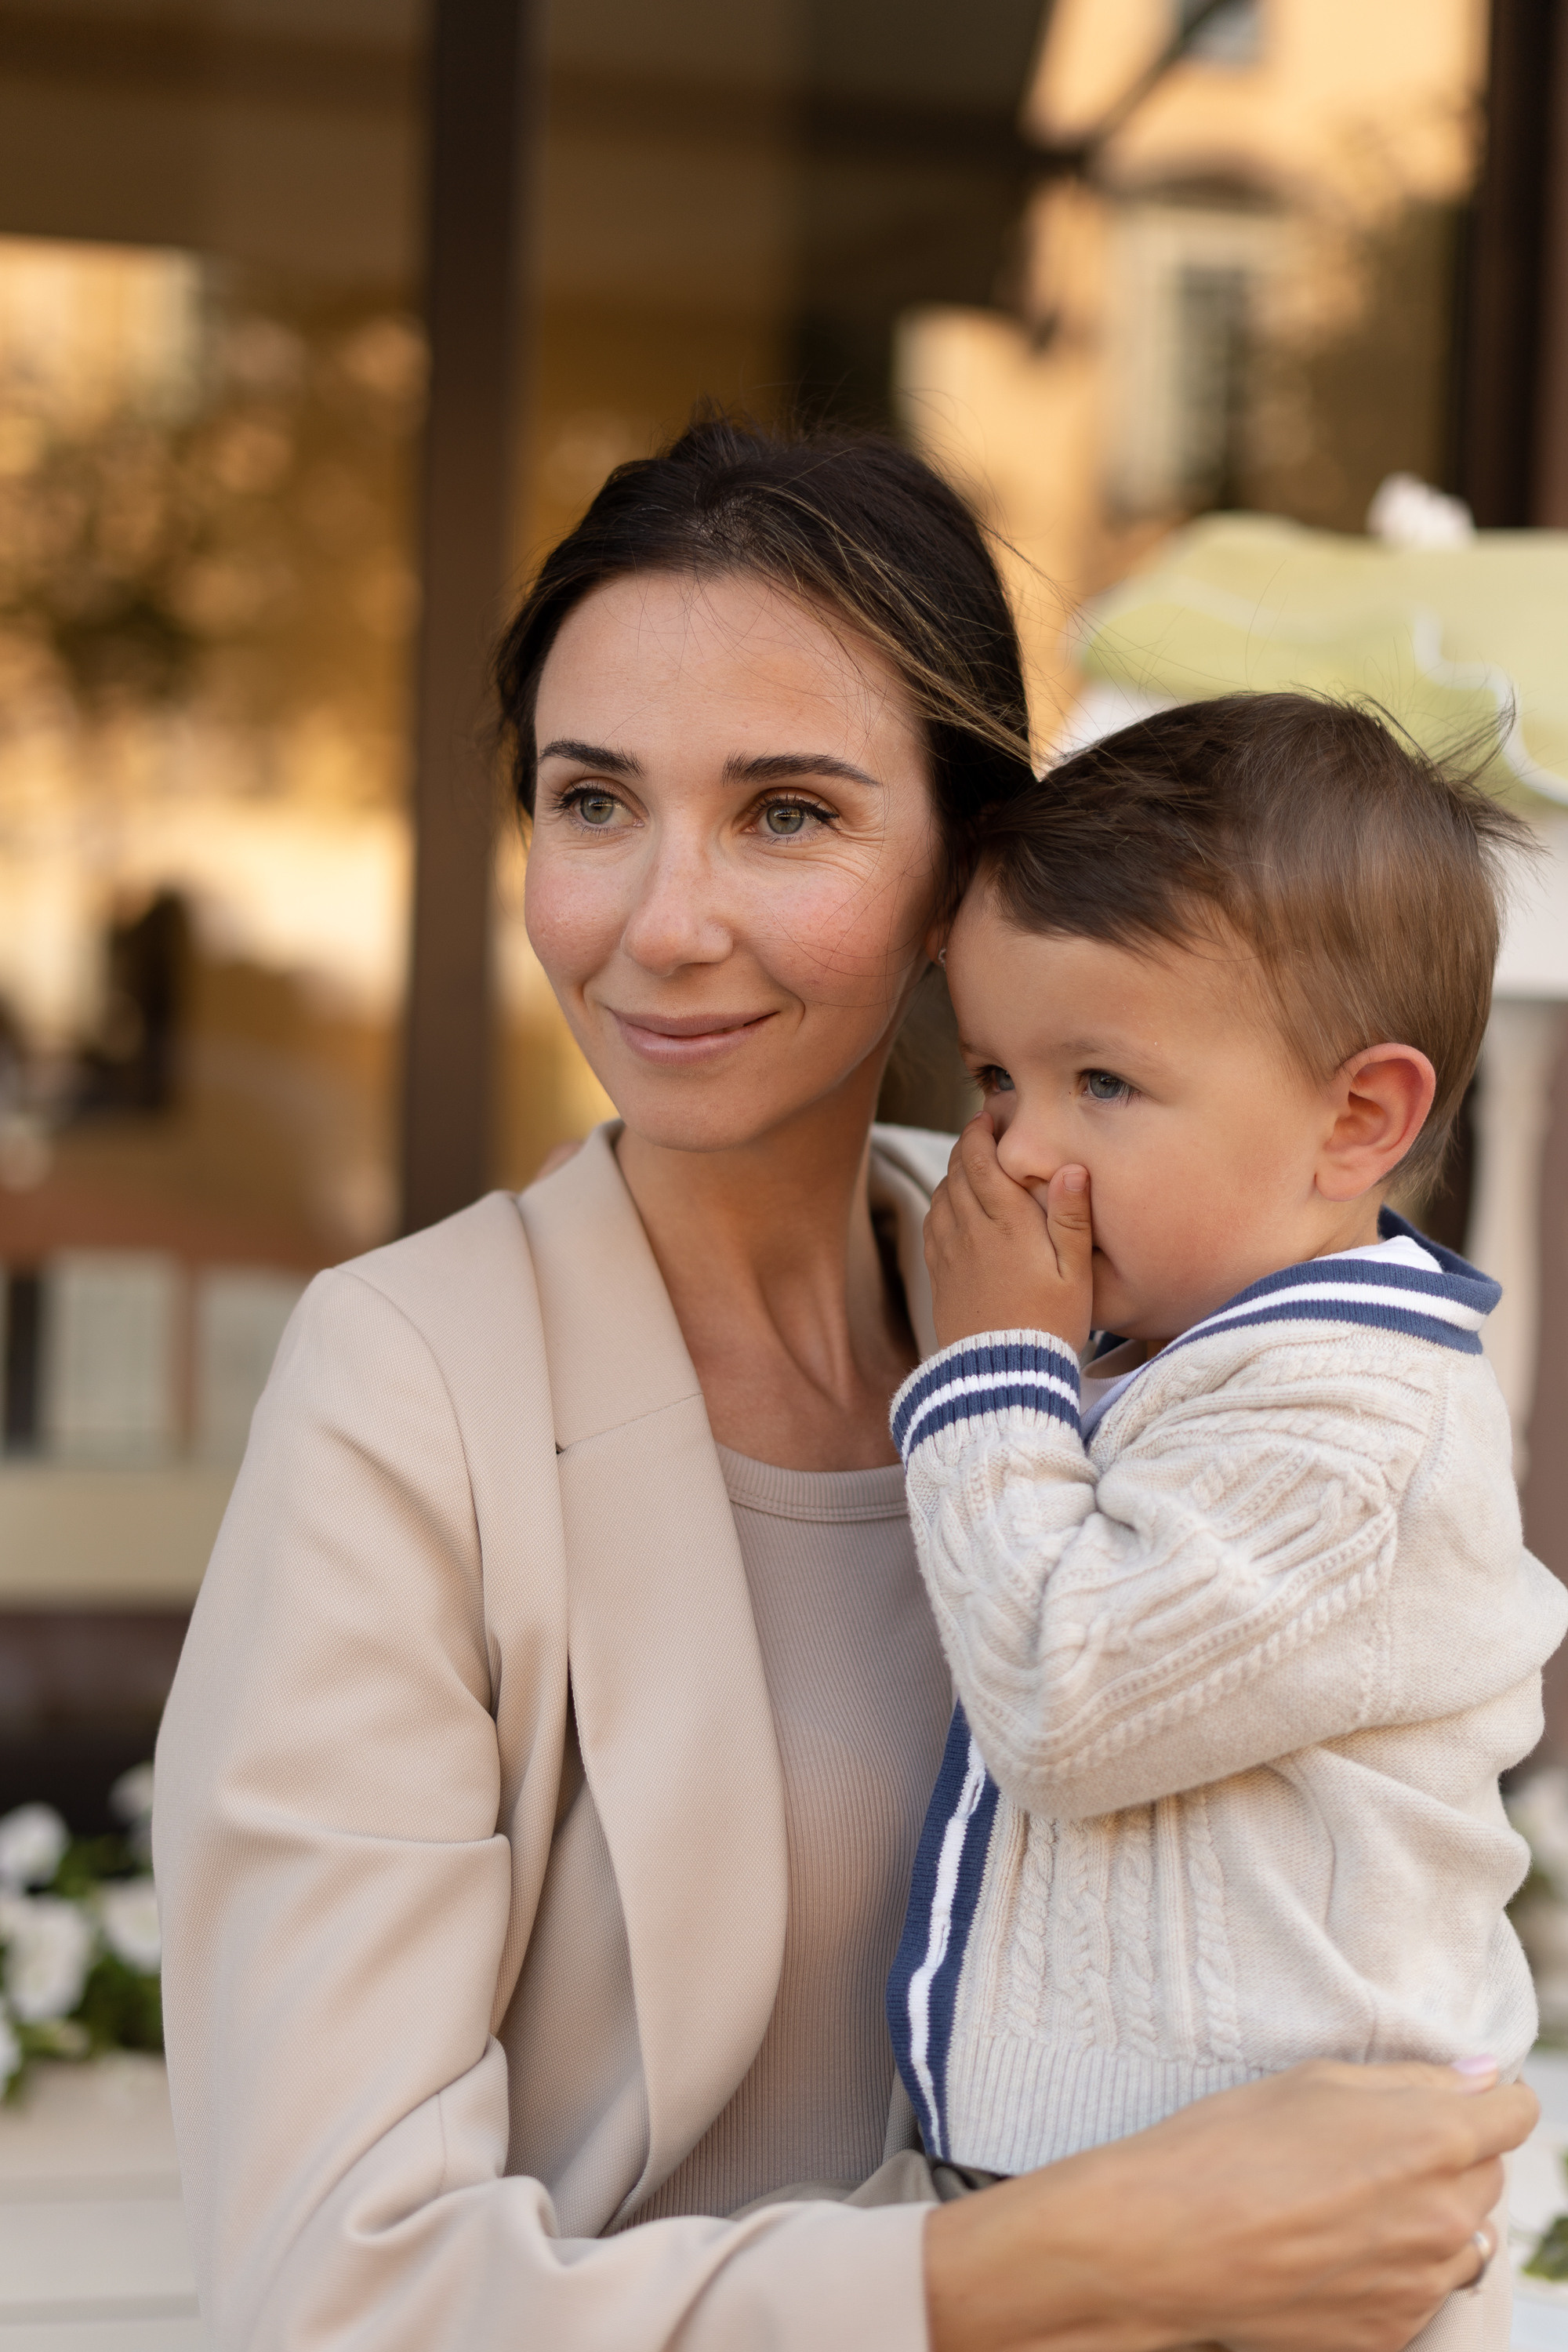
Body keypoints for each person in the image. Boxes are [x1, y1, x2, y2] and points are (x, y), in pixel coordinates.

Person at [154, 424, 1534, 2352]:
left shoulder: (1153, 1325)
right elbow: (331, 2294)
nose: (663, 920)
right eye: (591, 800)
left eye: (786, 812)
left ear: (964, 869)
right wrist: (1038, 2266)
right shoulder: (415, 1388)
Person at [888, 695, 1567, 2348]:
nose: (1018, 1152)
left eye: (1102, 1082)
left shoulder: (1356, 1423)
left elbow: (1064, 1696)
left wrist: (988, 1371)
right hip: (1124, 2237)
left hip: (1297, 2266)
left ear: (1358, 1121)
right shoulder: (1194, 1340)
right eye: (992, 1074)